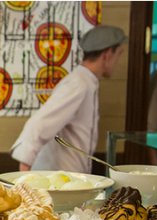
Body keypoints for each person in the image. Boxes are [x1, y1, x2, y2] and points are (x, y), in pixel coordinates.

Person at [11, 25, 127, 173]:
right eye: (119, 54)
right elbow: (38, 125)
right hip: (57, 184)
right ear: (108, 54)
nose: (118, 60)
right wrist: (24, 177)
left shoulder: (87, 82)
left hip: (70, 180)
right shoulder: (78, 83)